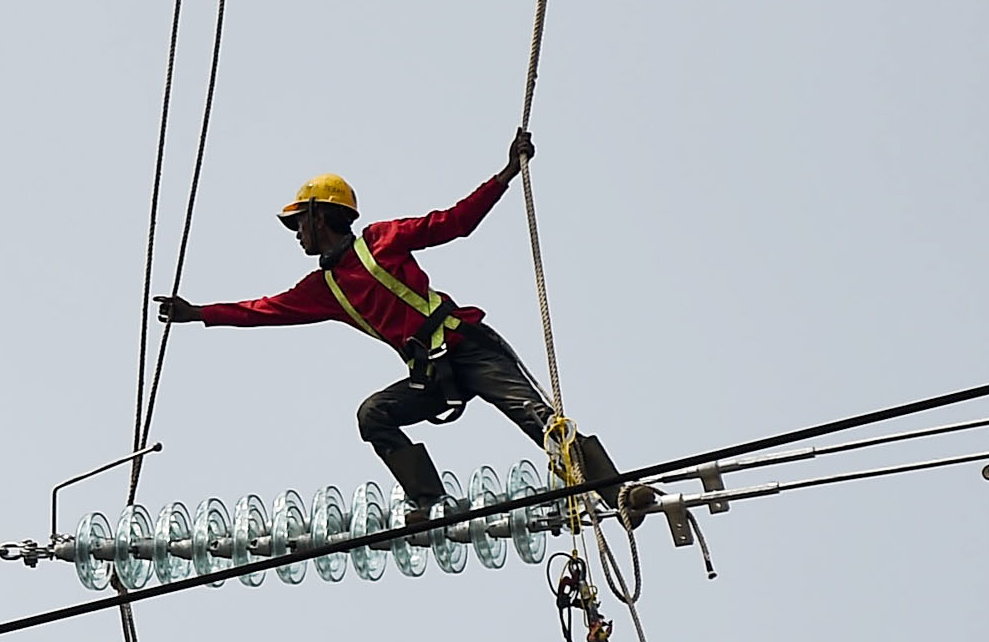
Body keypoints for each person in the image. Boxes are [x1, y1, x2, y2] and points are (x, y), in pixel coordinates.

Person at [153, 129, 650, 520]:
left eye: (299, 222)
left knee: (540, 421)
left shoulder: (382, 240)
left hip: (467, 345)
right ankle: (428, 501)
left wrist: (505, 175)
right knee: (374, 415)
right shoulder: (323, 287)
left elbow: (454, 222)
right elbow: (261, 310)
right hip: (431, 373)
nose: (297, 233)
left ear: (320, 216)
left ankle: (619, 493)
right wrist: (199, 313)